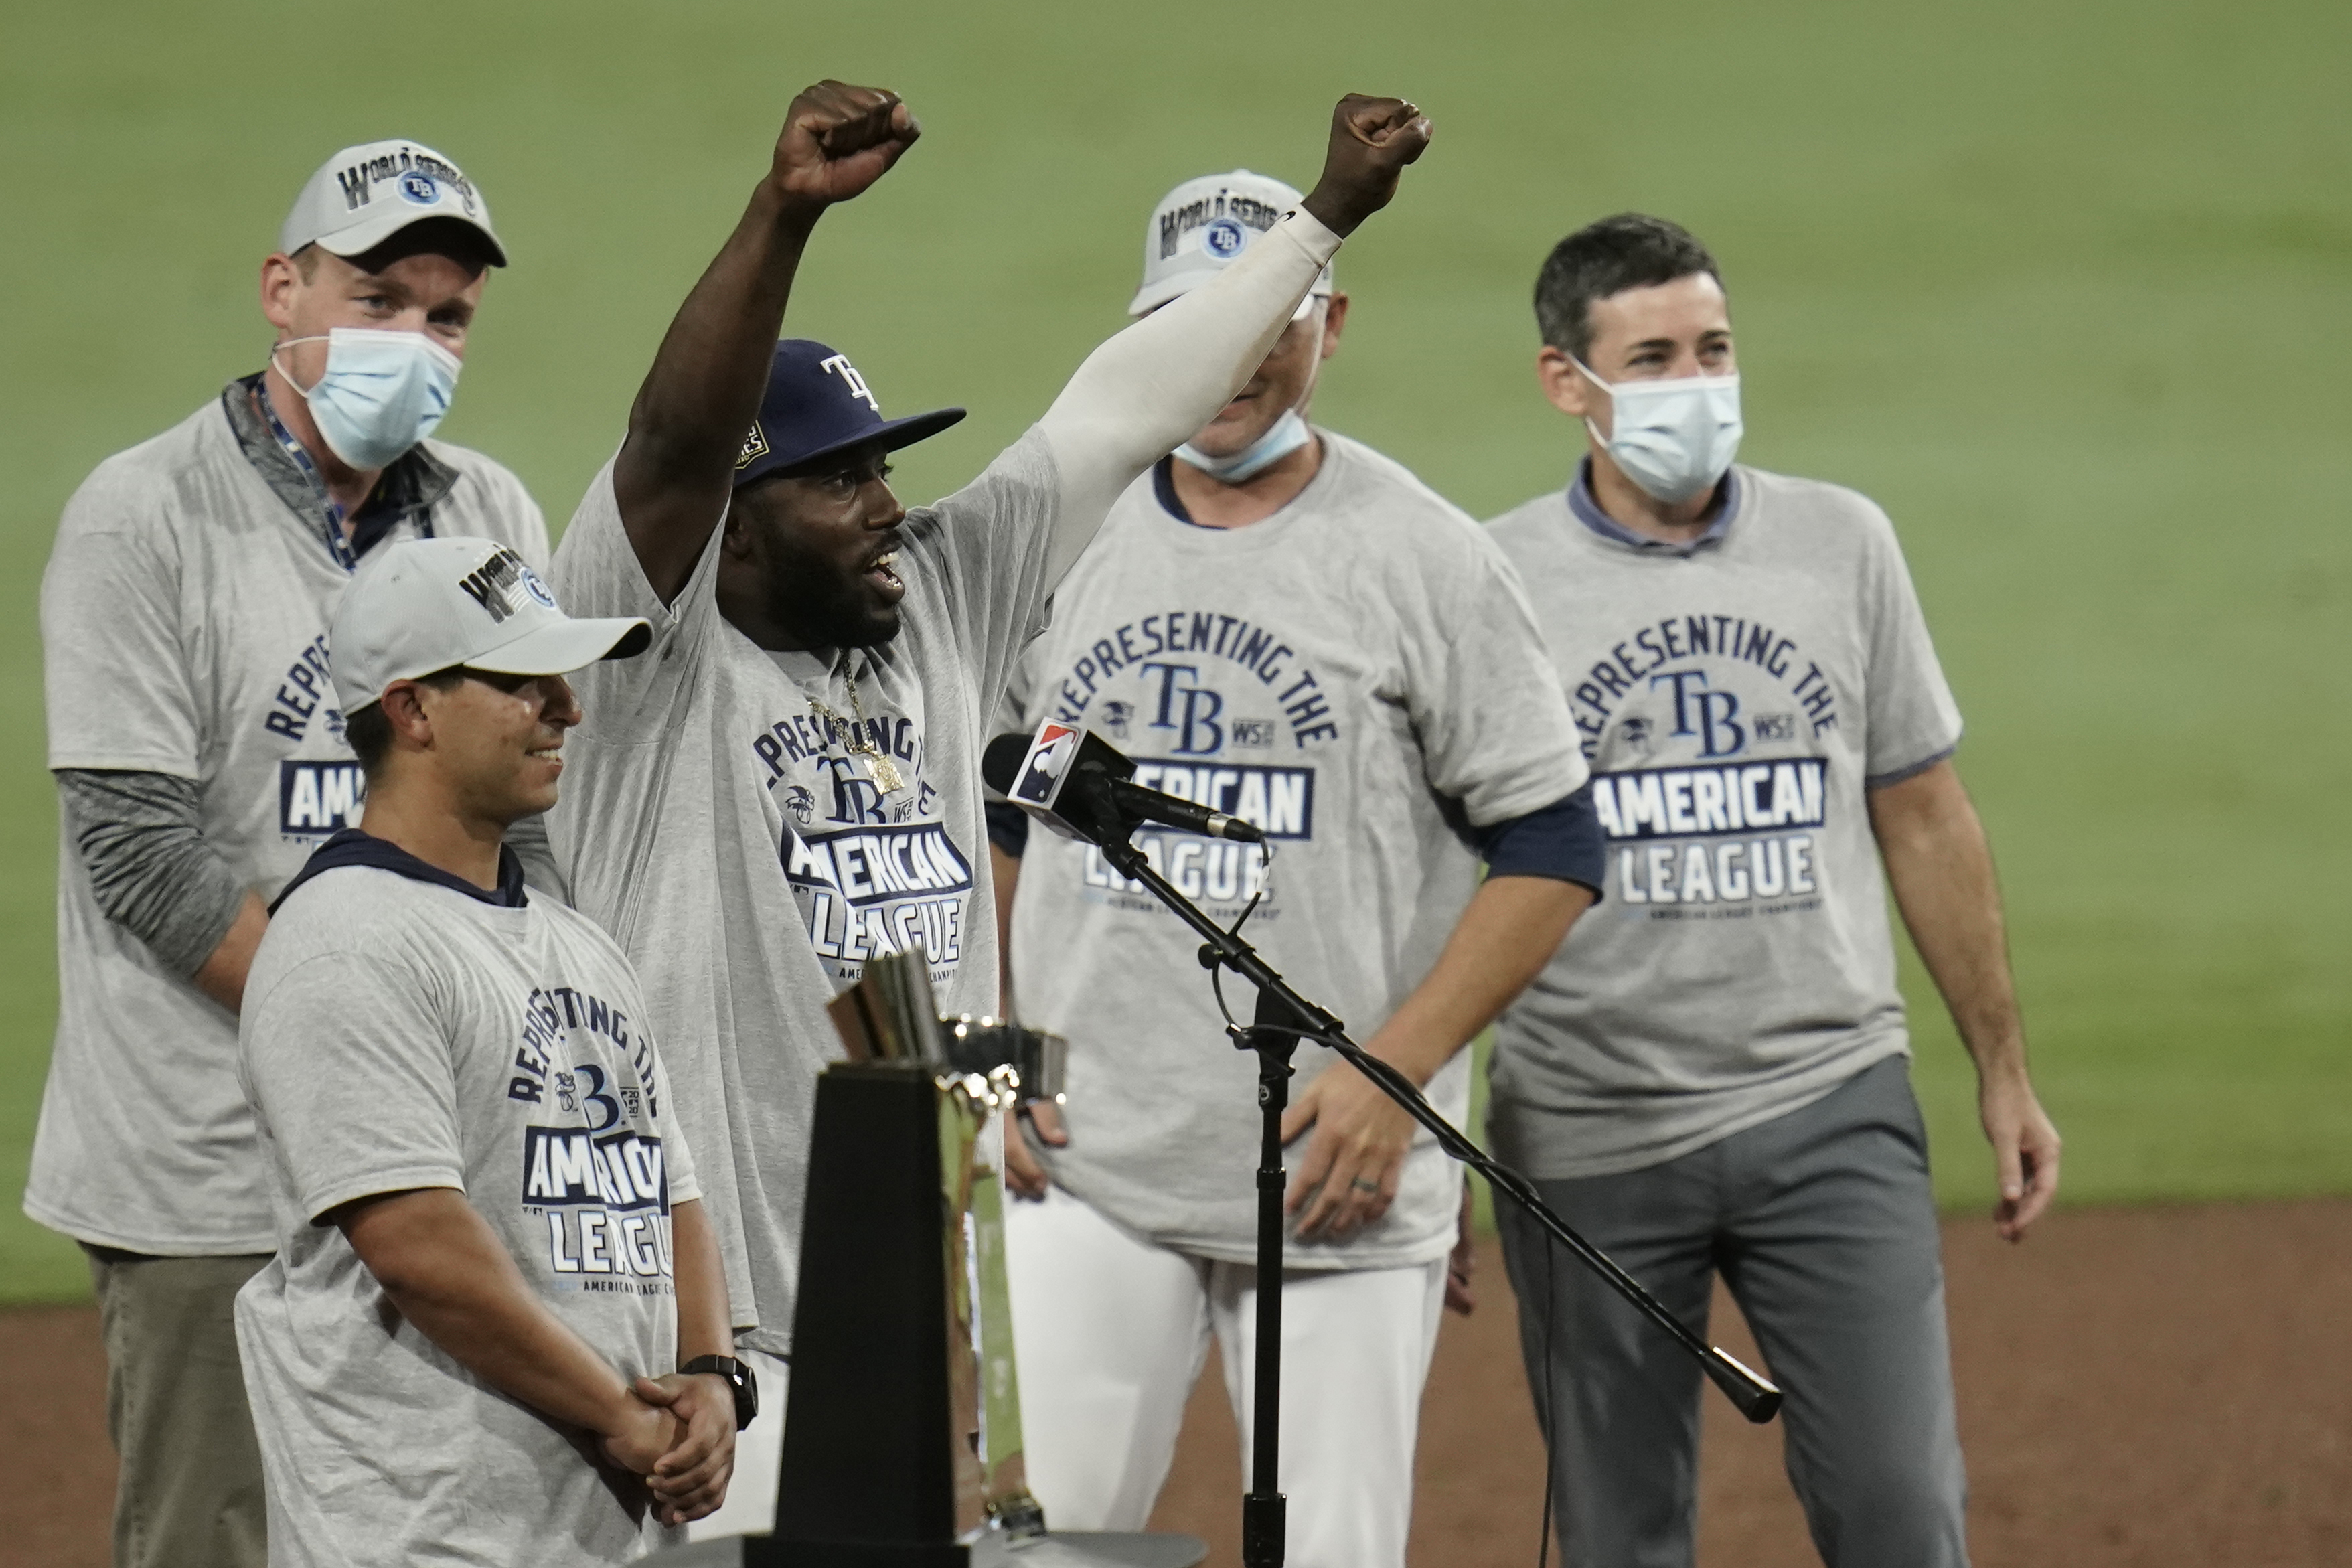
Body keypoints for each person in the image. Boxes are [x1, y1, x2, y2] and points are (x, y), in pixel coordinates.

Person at [520, 81, 1431, 1535]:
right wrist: (783, 216)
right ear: (735, 529)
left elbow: (1126, 408)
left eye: (884, 466)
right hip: (698, 1336)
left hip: (921, 1314)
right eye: (836, 483)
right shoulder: (646, 661)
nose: (887, 504)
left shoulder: (941, 597)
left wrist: (1319, 221)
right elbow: (674, 446)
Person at [983, 167, 1603, 1568]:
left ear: (1330, 322)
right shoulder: (1056, 537)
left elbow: (1553, 844)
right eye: (1201, 323)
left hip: (1337, 1177)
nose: (1235, 361)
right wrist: (994, 1049)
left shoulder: (1422, 558)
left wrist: (1396, 1077)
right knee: (1046, 1554)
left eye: (1271, 322)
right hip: (1092, 1167)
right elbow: (1001, 809)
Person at [1483, 213, 2064, 1567]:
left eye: (1713, 347)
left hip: (1827, 1100)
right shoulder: (1491, 578)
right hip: (1584, 1125)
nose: (1695, 384)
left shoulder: (1840, 545)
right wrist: (1414, 1122)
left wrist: (2001, 1065)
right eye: (1653, 357)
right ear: (1565, 381)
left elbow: (1924, 816)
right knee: (1619, 1536)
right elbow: (1436, 870)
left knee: (1899, 1516)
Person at [27, 140, 544, 1568]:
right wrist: (374, 1040)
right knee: (215, 1537)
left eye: (447, 319)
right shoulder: (145, 517)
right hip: (207, 1168)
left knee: (443, 1524)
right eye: (378, 298)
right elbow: (142, 856)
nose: (415, 343)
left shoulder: (487, 516)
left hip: (439, 1152)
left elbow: (529, 822)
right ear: (283, 290)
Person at [236, 536, 743, 1563]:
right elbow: (422, 1247)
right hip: (423, 1530)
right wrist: (622, 1414)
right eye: (521, 681)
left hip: (594, 1529)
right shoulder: (345, 938)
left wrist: (710, 1372)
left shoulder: (574, 941)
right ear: (412, 709)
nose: (568, 706)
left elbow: (669, 1189)